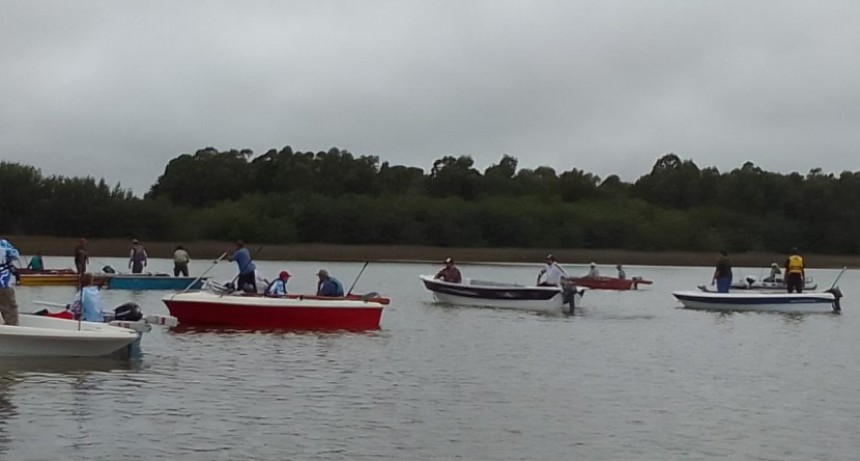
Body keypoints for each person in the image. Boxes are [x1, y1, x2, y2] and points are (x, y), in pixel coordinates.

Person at [0, 238, 21, 326]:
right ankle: (12, 326)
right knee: (10, 308)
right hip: (4, 285)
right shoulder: (3, 244)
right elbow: (15, 255)